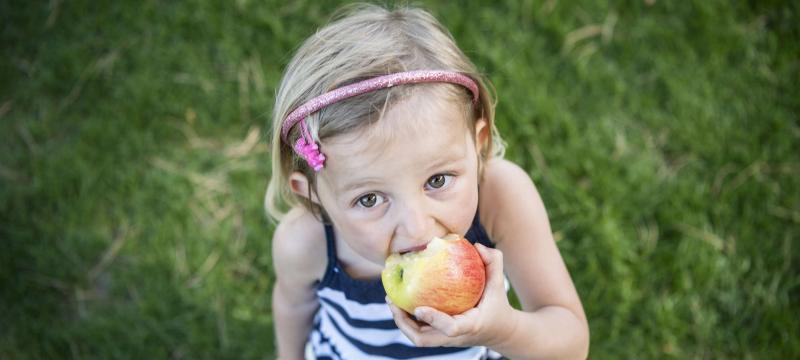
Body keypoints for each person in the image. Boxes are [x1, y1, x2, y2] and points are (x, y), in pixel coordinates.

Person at [265, 4, 589, 359]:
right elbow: (293, 307)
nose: (417, 228)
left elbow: (570, 342)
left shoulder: (500, 198)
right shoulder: (305, 243)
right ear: (314, 196)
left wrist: (502, 330)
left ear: (476, 145)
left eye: (437, 180)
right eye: (370, 199)